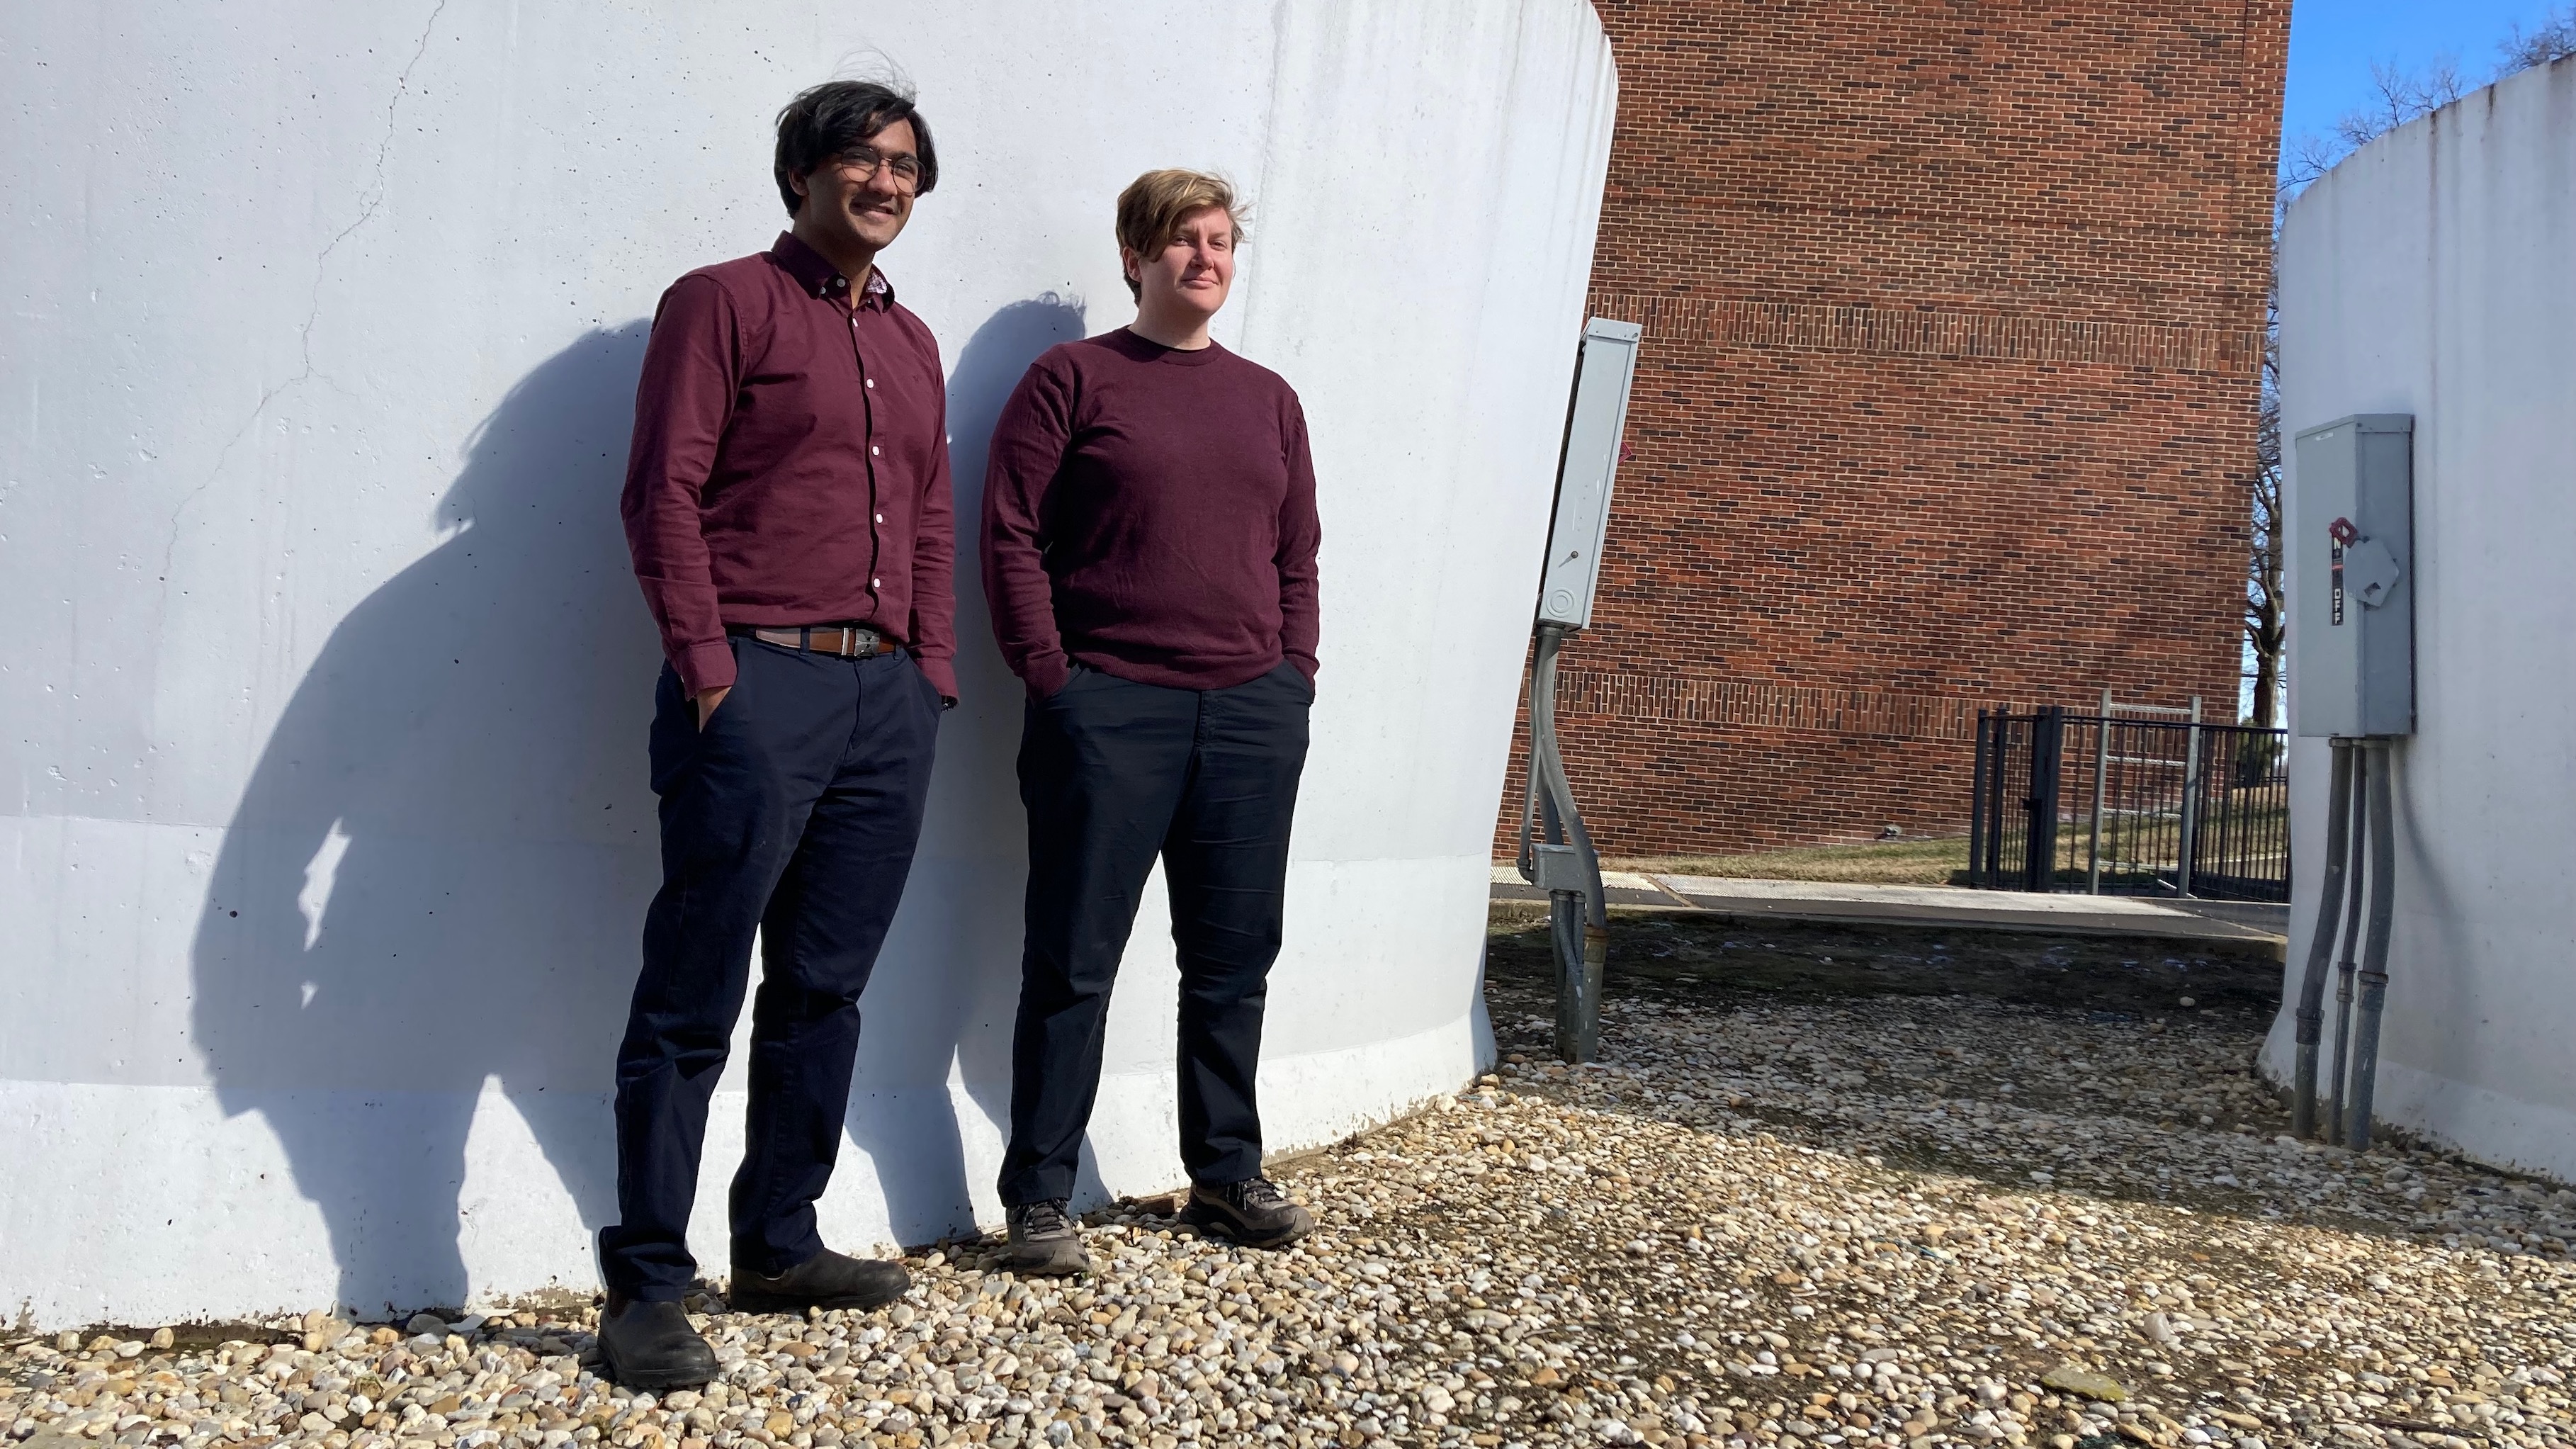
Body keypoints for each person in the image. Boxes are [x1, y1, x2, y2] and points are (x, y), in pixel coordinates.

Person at [600, 80, 957, 1386]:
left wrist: (933, 672)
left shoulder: (914, 344)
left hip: (885, 702)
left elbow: (926, 512)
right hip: (756, 685)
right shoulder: (722, 301)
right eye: (863, 157)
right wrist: (707, 669)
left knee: (826, 988)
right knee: (693, 994)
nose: (888, 180)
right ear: (802, 171)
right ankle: (643, 1283)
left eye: (908, 164)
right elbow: (663, 494)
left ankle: (779, 1239)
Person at [980, 169, 1323, 1275]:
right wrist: (1053, 678)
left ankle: (1225, 1171)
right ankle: (1039, 1192)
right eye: (1182, 242)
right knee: (1074, 959)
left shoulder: (1269, 398)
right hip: (1109, 709)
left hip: (1248, 714)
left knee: (1232, 959)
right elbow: (1009, 535)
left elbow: (1297, 554)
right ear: (1135, 257)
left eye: (1221, 241)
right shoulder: (1072, 379)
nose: (1206, 259)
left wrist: (1293, 675)